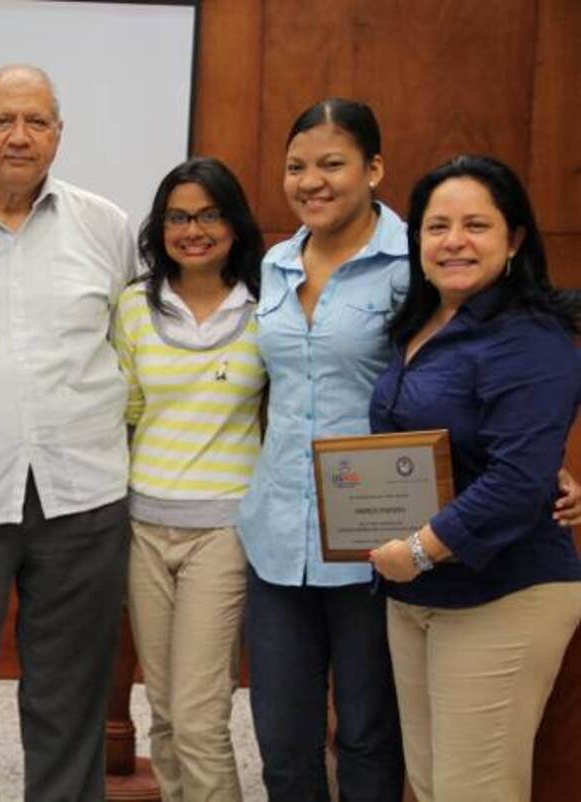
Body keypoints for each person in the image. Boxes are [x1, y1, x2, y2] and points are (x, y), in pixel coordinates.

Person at [0, 64, 138, 802]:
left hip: (84, 492)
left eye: (37, 122)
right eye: (4, 120)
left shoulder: (105, 225)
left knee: (71, 689)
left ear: (59, 135)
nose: (20, 136)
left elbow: (133, 343)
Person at [369, 155, 581, 802]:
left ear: (514, 238)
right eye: (436, 226)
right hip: (418, 592)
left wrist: (416, 550)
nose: (453, 240)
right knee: (433, 786)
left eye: (476, 225)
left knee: (475, 791)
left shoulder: (532, 336)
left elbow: (517, 482)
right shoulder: (419, 325)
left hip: (503, 592)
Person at [235, 98, 408, 801]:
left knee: (368, 732)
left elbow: (462, 375)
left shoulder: (411, 264)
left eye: (332, 164)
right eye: (296, 167)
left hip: (377, 537)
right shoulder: (275, 265)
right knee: (281, 736)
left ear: (373, 168)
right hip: (278, 533)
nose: (312, 181)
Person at [115, 157, 266, 802]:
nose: (193, 230)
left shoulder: (269, 307)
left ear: (233, 223)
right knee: (166, 711)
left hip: (224, 534)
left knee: (201, 718)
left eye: (209, 214)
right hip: (144, 526)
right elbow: (128, 413)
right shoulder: (133, 307)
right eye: (178, 217)